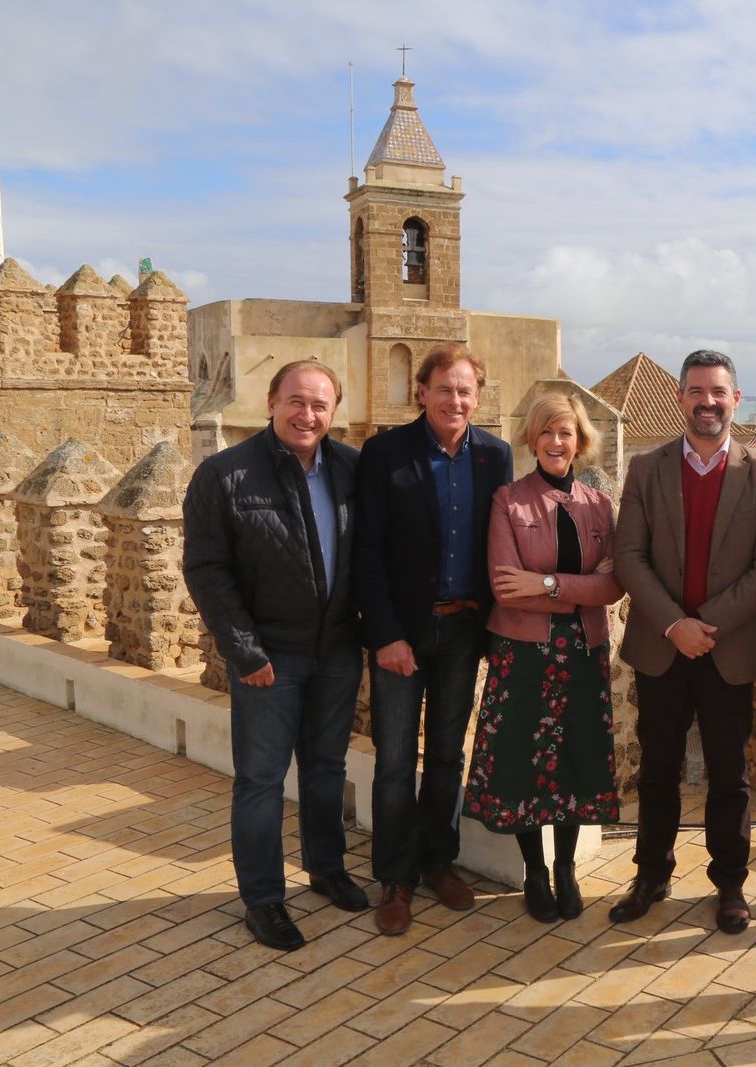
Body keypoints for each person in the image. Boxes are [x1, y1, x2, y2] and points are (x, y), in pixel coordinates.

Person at [182, 360, 368, 951]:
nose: (307, 414)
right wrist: (243, 650)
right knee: (261, 781)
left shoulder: (350, 469)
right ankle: (263, 900)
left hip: (337, 651)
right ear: (270, 402)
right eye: (296, 401)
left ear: (333, 412)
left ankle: (326, 867)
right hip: (270, 657)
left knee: (326, 769)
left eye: (319, 404)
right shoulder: (225, 475)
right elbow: (207, 571)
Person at [609, 349, 756, 935]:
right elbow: (629, 556)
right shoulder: (647, 468)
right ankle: (651, 874)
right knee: (657, 769)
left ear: (736, 400)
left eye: (718, 392)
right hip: (662, 646)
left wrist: (705, 623)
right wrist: (674, 625)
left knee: (729, 772)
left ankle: (730, 884)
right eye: (696, 391)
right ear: (681, 398)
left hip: (726, 648)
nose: (707, 402)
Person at [354, 341, 514, 934]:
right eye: (444, 388)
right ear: (422, 392)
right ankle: (394, 877)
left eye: (465, 389)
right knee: (395, 759)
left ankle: (436, 862)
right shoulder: (385, 453)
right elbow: (366, 554)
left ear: (477, 396)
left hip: (464, 630)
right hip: (402, 634)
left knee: (448, 754)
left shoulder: (494, 457)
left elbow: (500, 546)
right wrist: (386, 635)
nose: (455, 399)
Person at [463, 392, 624, 921]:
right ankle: (534, 871)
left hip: (582, 653)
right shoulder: (508, 501)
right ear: (532, 438)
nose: (558, 442)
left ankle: (565, 870)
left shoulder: (599, 506)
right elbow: (507, 588)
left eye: (568, 433)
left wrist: (548, 582)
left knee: (575, 762)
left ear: (581, 442)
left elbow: (613, 587)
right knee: (525, 767)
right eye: (548, 432)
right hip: (523, 654)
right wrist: (578, 585)